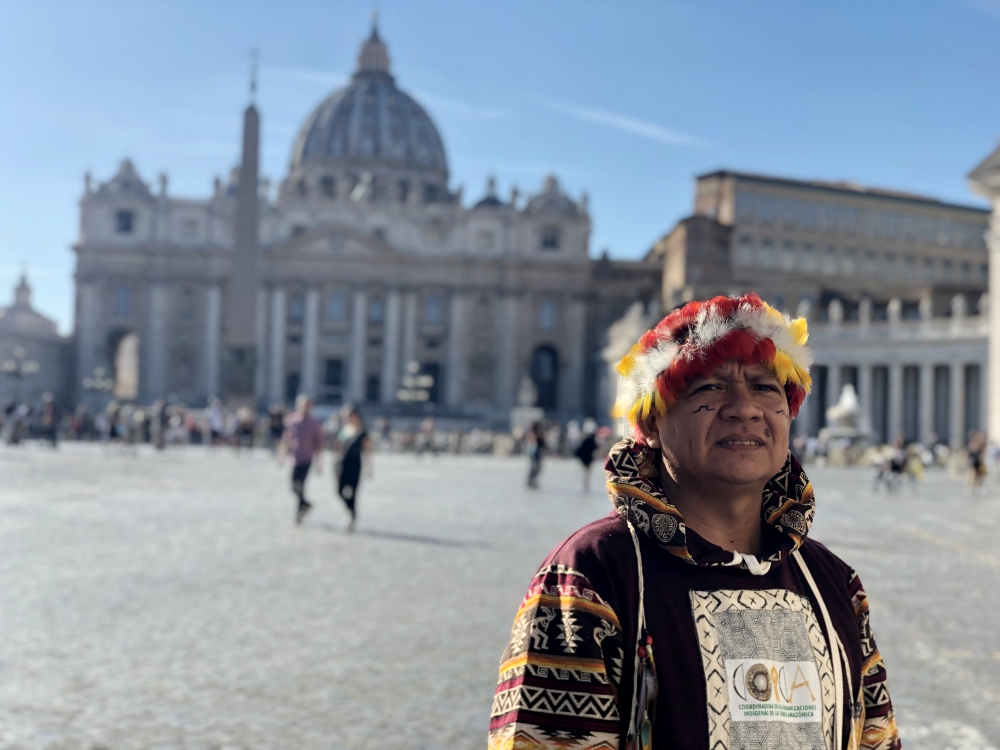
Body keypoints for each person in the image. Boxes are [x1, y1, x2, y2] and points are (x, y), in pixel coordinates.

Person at [489, 294, 899, 750]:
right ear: (655, 421)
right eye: (709, 387)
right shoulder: (590, 577)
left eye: (766, 387)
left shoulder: (835, 584)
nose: (744, 408)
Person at [282, 395, 324, 524]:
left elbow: (318, 445)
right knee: (294, 486)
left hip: (306, 458)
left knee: (301, 485)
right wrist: (282, 455)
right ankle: (305, 504)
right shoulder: (292, 421)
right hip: (295, 458)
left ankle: (299, 513)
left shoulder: (314, 424)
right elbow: (287, 438)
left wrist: (319, 464)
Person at [335, 407, 370, 531]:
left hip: (355, 465)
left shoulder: (362, 431)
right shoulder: (345, 429)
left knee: (353, 492)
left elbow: (368, 450)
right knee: (339, 490)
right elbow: (338, 444)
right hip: (343, 464)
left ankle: (353, 516)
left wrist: (370, 468)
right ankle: (350, 511)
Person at [573, 419, 600, 493]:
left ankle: (586, 486)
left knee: (586, 473)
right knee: (587, 473)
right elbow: (595, 448)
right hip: (588, 458)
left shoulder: (586, 439)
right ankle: (586, 486)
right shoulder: (591, 440)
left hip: (587, 458)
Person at [526, 421, 545, 489]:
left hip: (536, 452)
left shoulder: (539, 433)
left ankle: (532, 480)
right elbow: (532, 442)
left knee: (537, 467)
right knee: (535, 467)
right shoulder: (534, 433)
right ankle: (531, 480)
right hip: (535, 452)